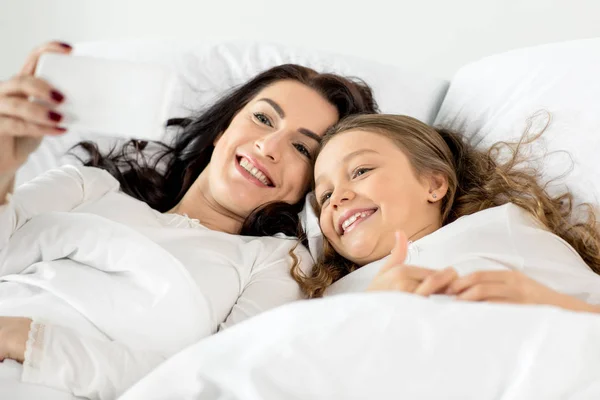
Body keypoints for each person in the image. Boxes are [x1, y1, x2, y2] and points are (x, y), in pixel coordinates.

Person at [0, 42, 378, 399]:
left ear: (309, 187)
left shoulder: (274, 261)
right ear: (222, 130)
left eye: (301, 147)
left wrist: (34, 342)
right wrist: (5, 159)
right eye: (263, 118)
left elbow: (211, 385)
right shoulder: (87, 186)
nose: (269, 147)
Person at [304, 113, 600, 314]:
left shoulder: (498, 227)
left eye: (360, 171)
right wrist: (369, 313)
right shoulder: (328, 300)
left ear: (433, 183)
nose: (337, 199)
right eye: (325, 195)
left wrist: (548, 301)